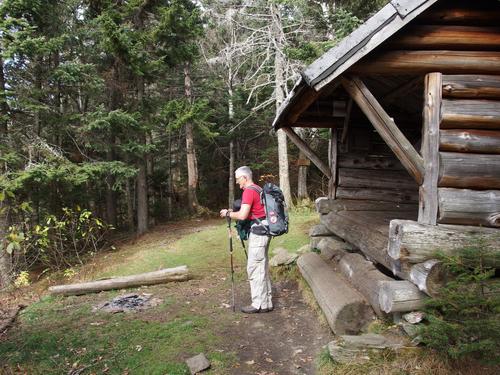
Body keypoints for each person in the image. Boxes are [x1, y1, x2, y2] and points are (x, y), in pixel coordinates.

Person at [219, 166, 273, 314]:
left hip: (259, 233)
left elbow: (243, 215)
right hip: (266, 230)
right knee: (261, 266)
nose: (237, 183)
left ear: (245, 177)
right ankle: (266, 302)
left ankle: (258, 304)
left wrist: (229, 213)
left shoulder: (249, 191)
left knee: (254, 267)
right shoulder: (258, 189)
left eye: (238, 179)